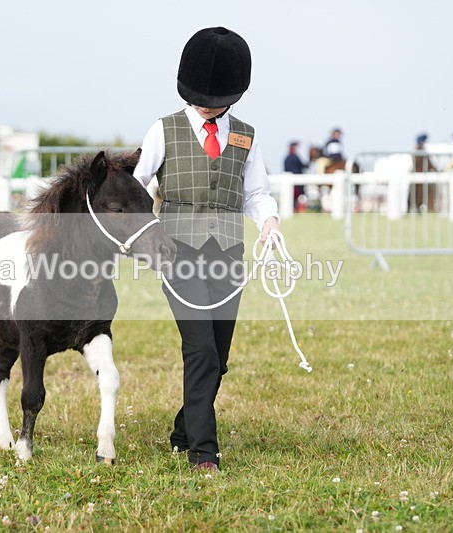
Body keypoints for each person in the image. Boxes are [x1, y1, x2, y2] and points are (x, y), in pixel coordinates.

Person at [133, 26, 280, 473]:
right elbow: (137, 185)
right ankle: (203, 452)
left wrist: (269, 221)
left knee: (219, 356)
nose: (206, 106)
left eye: (215, 100)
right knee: (199, 349)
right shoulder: (164, 130)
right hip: (176, 252)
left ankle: (183, 429)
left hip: (227, 256)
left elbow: (256, 192)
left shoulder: (246, 136)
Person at [410, 133, 438, 212]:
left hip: (420, 177)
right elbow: (429, 164)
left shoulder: (418, 151)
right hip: (418, 177)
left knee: (419, 194)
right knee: (417, 194)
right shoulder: (418, 151)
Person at [283, 141, 307, 210]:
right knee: (297, 196)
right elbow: (301, 166)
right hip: (297, 182)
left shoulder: (287, 158)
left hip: (293, 181)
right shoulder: (294, 157)